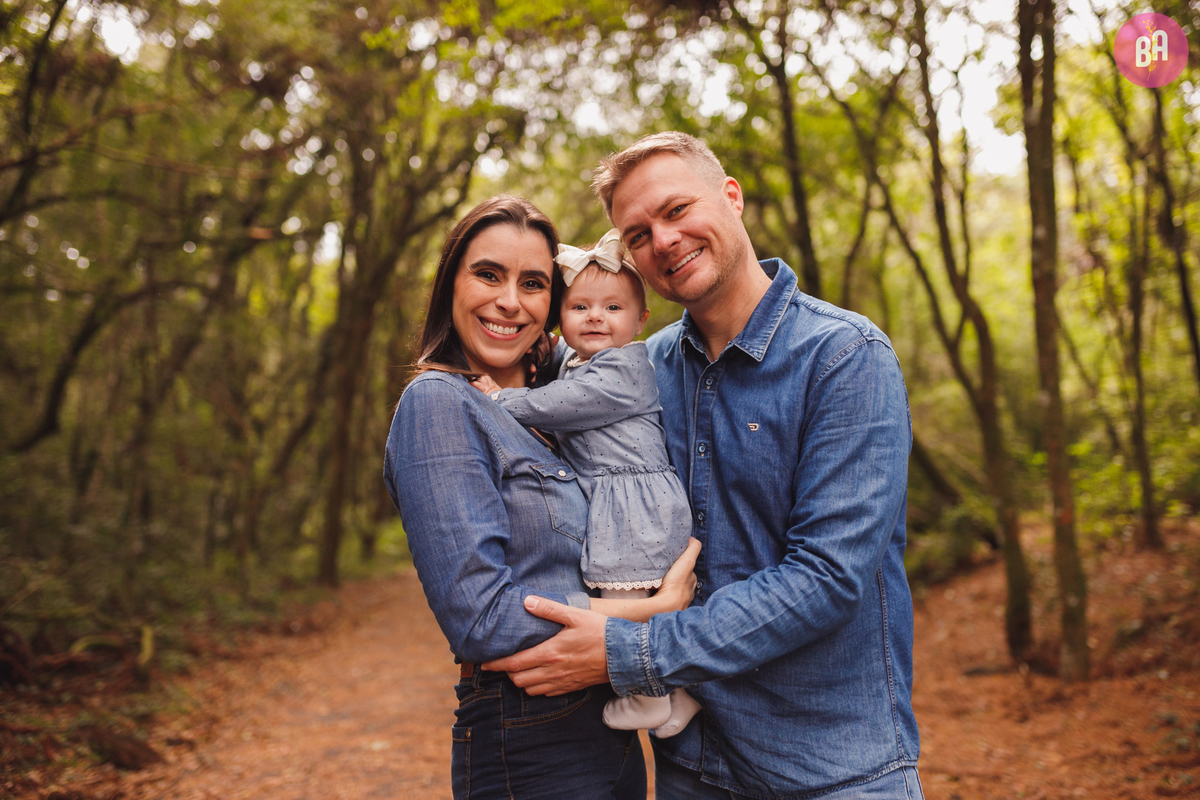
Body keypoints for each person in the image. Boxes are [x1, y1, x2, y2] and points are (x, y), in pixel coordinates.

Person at [483, 134, 923, 799]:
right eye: (637, 233)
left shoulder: (843, 356)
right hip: (695, 766)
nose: (662, 239)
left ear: (732, 197)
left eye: (677, 209)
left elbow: (828, 577)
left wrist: (625, 651)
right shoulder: (643, 368)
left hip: (834, 771)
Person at [383, 195, 700, 800]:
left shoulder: (562, 399)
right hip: (527, 735)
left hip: (606, 719)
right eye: (487, 274)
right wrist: (650, 612)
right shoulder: (439, 404)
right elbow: (480, 618)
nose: (509, 300)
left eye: (532, 283)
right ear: (451, 282)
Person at [469, 229, 701, 737]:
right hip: (620, 498)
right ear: (561, 320)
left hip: (634, 504)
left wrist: (498, 400)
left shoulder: (624, 368)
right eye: (580, 308)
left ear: (640, 321)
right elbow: (557, 371)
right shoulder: (577, 361)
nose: (596, 316)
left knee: (629, 602)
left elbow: (562, 406)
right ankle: (680, 696)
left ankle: (644, 694)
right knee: (641, 598)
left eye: (613, 308)